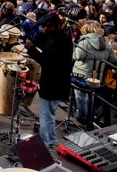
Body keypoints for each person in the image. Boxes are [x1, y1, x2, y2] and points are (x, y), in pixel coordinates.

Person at [25, 11, 73, 147]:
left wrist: (31, 49)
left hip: (52, 84)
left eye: (45, 27)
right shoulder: (59, 37)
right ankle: (49, 140)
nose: (43, 29)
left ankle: (49, 142)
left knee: (46, 116)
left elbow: (47, 62)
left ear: (52, 26)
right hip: (54, 83)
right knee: (47, 114)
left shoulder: (58, 41)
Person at [72, 20, 117, 125]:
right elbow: (113, 60)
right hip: (97, 77)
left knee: (80, 95)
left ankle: (83, 118)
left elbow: (77, 56)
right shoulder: (106, 43)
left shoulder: (84, 41)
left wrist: (75, 47)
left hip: (81, 75)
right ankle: (90, 118)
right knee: (91, 96)